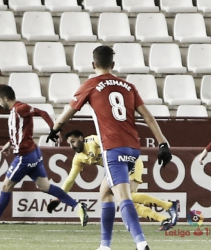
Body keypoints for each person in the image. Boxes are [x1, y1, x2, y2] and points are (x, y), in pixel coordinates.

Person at [46, 45, 172, 250]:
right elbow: (147, 116)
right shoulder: (128, 86)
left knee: (123, 197)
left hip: (113, 148)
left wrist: (55, 128)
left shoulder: (91, 84)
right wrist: (163, 143)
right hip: (133, 148)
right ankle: (105, 246)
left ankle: (141, 244)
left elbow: (68, 113)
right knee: (105, 193)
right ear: (113, 65)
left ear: (93, 64)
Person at [0, 85, 88, 230]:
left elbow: (42, 112)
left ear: (5, 98)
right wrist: (10, 143)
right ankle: (77, 206)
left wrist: (54, 129)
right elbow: (21, 132)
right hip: (33, 153)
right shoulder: (15, 112)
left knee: (6, 186)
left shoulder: (20, 108)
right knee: (44, 186)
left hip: (25, 156)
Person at [46, 130, 179, 232]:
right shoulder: (79, 158)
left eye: (73, 141)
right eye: (69, 143)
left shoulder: (93, 141)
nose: (71, 145)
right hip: (116, 168)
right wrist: (59, 198)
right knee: (127, 202)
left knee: (127, 198)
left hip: (128, 162)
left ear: (81, 138)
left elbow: (108, 141)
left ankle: (168, 205)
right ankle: (164, 219)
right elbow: (70, 179)